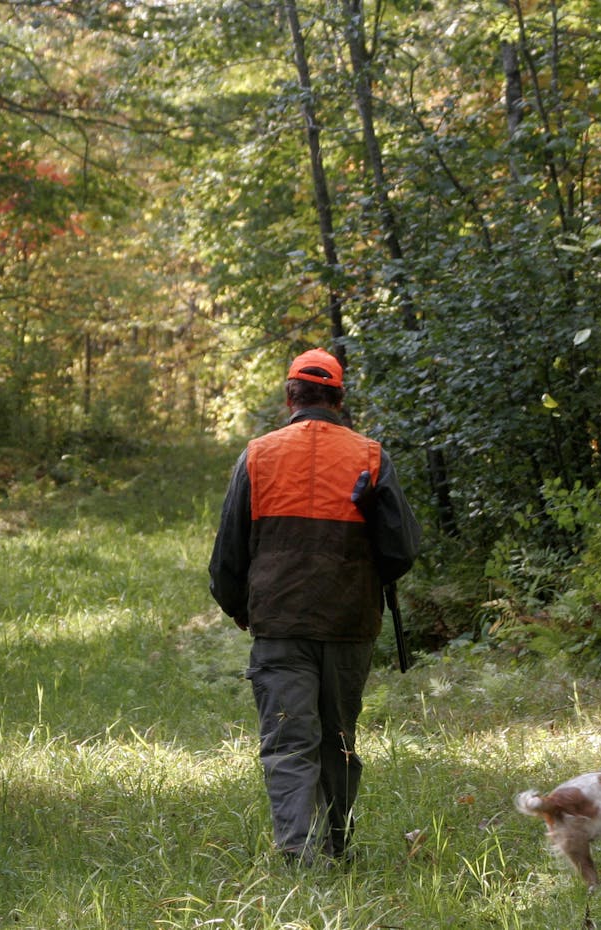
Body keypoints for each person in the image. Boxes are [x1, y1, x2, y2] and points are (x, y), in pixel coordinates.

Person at [208, 347, 421, 866]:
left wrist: (240, 607)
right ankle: (337, 847)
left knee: (288, 742)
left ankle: (302, 856)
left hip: (280, 622)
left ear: (290, 397)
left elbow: (228, 553)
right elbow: (403, 551)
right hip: (350, 624)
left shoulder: (258, 455)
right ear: (339, 399)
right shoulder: (371, 457)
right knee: (339, 740)